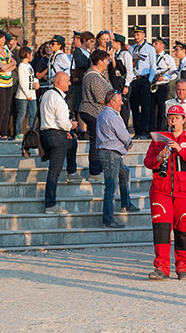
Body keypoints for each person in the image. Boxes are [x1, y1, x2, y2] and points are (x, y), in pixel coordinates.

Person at [143, 104, 186, 280]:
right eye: (171, 118)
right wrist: (159, 157)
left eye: (177, 118)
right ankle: (161, 267)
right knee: (161, 228)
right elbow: (147, 162)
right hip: (161, 189)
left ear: (183, 120)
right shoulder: (158, 140)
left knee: (183, 230)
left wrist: (180, 150)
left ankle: (183, 267)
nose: (173, 121)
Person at [97, 89, 139, 227]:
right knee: (111, 187)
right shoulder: (112, 116)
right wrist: (129, 143)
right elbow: (124, 135)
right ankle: (107, 220)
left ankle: (126, 203)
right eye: (120, 100)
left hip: (111, 153)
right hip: (110, 154)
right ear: (112, 101)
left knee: (125, 172)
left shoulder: (103, 113)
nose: (122, 103)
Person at [41, 72, 79, 214]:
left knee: (72, 143)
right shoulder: (58, 99)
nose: (70, 83)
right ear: (59, 82)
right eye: (67, 81)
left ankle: (72, 172)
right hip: (56, 136)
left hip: (47, 134)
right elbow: (63, 122)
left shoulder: (46, 94)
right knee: (54, 171)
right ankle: (50, 204)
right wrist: (71, 126)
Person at [79, 49, 114, 180]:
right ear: (99, 62)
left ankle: (98, 169)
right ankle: (94, 171)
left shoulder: (99, 74)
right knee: (96, 142)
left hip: (97, 112)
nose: (108, 62)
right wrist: (113, 99)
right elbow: (100, 97)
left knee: (98, 141)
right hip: (92, 111)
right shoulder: (93, 76)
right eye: (106, 60)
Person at [128, 26, 157, 139]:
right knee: (134, 106)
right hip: (135, 79)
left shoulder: (149, 49)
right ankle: (137, 131)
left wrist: (149, 80)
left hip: (144, 79)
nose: (136, 37)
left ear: (143, 35)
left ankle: (145, 131)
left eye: (138, 35)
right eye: (135, 35)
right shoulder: (132, 49)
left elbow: (153, 66)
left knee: (145, 107)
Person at [152, 37, 178, 131]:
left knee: (162, 109)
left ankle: (161, 129)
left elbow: (174, 74)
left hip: (162, 86)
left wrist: (164, 78)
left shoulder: (168, 58)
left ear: (162, 45)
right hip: (152, 85)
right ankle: (152, 129)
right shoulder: (151, 57)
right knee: (151, 109)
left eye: (156, 43)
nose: (153, 45)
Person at [14, 47, 38, 140]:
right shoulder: (22, 66)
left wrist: (36, 82)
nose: (32, 56)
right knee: (22, 114)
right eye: (31, 54)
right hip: (23, 96)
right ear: (27, 54)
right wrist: (28, 94)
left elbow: (32, 77)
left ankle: (32, 132)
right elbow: (22, 82)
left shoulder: (29, 66)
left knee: (33, 114)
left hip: (32, 94)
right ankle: (18, 132)